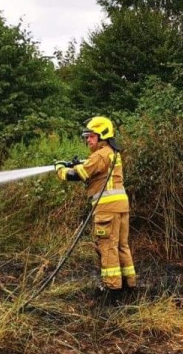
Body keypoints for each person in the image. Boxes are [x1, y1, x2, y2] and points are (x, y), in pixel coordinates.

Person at [56, 116, 136, 297]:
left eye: (91, 136)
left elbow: (78, 175)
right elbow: (94, 168)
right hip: (121, 207)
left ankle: (112, 290)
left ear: (103, 136)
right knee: (121, 246)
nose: (88, 140)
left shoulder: (100, 154)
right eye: (87, 137)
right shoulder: (112, 152)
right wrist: (78, 164)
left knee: (107, 247)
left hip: (107, 209)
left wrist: (60, 169)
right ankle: (129, 285)